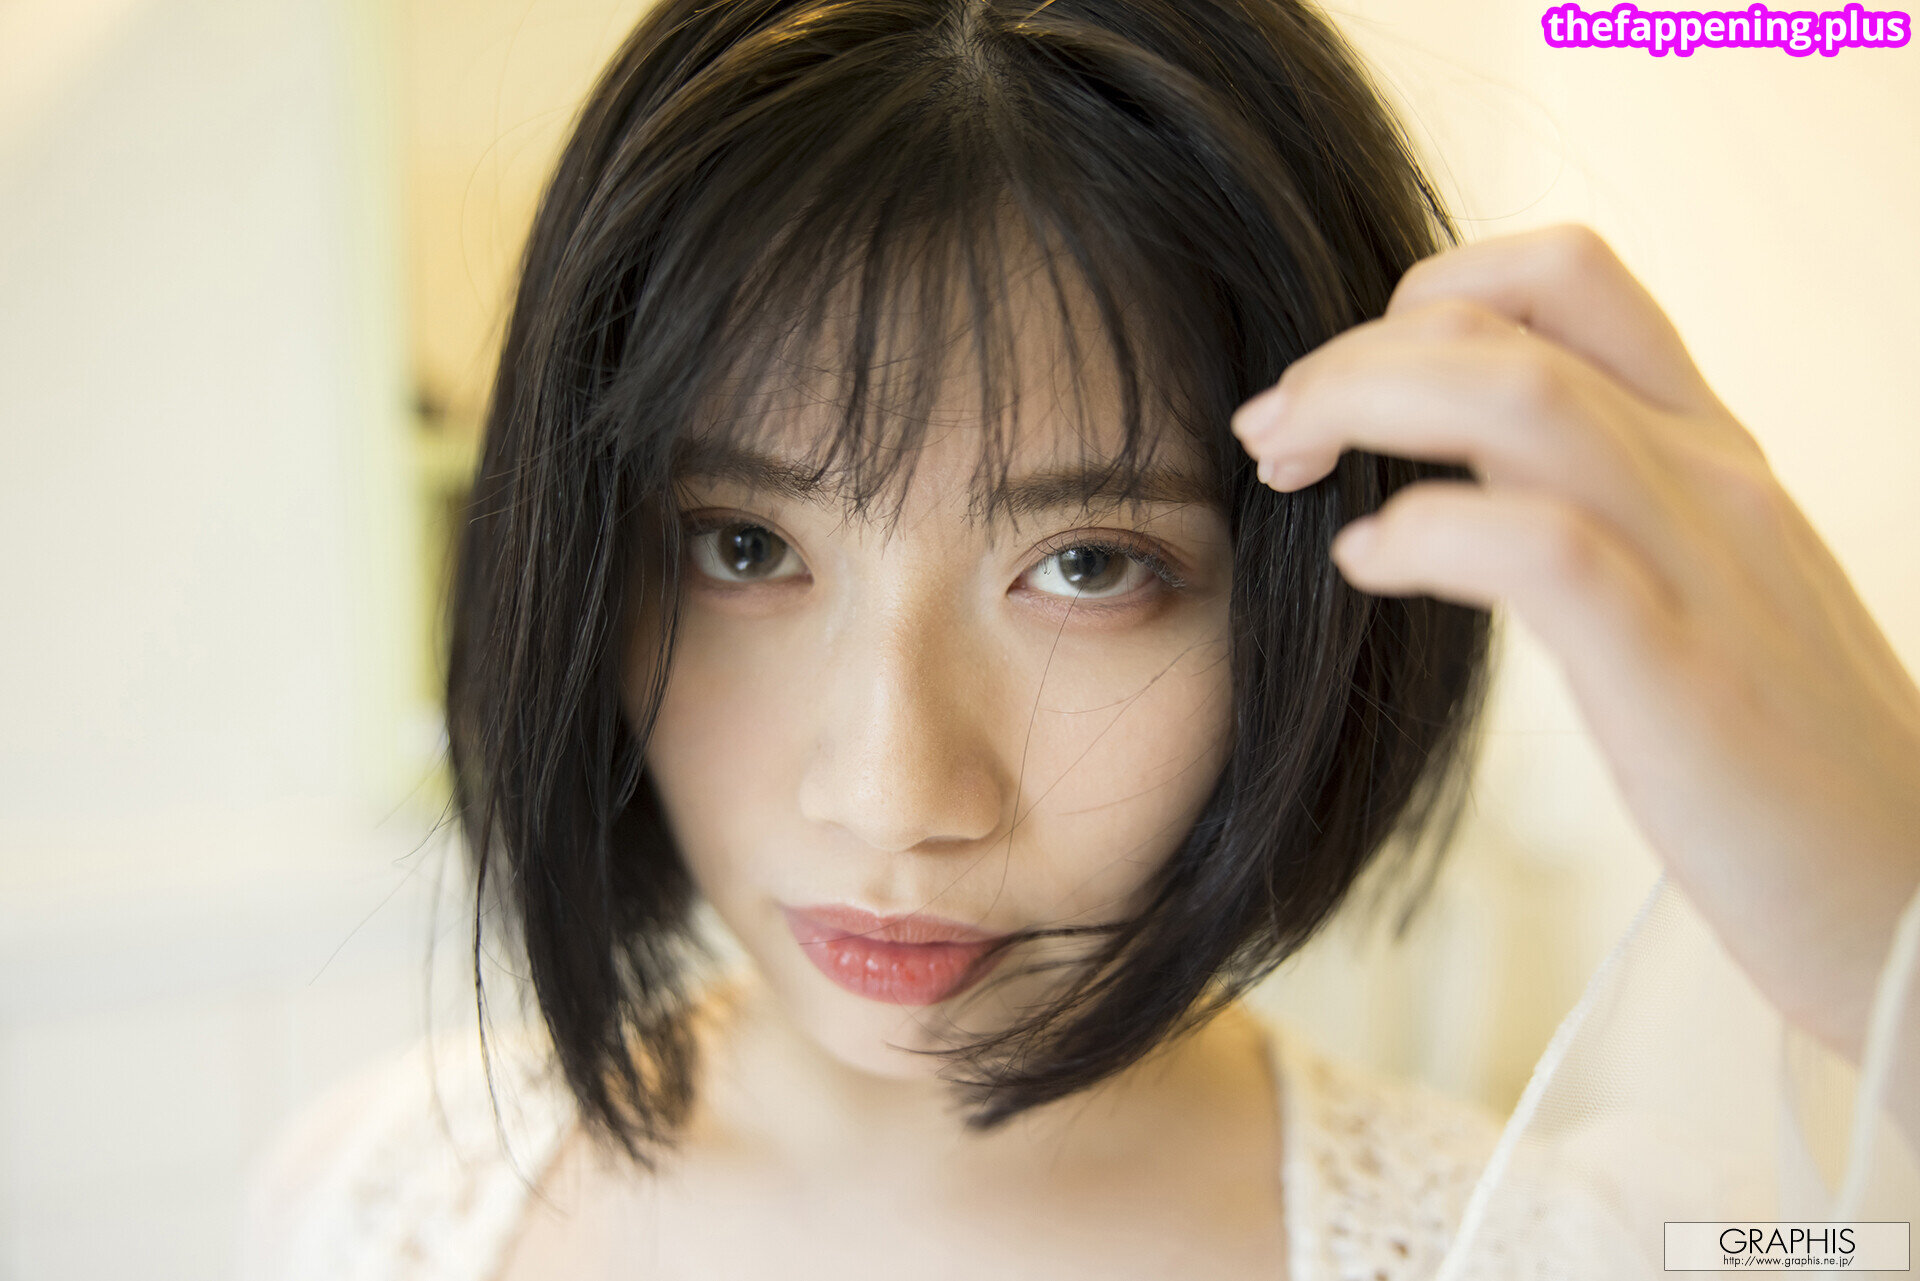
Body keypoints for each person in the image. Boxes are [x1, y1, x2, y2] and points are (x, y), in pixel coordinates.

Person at [237, 0, 1920, 1277]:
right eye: (744, 546)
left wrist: (1889, 916)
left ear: (1303, 602)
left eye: (1092, 564)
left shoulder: (1573, 1246)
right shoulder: (376, 1198)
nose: (895, 795)